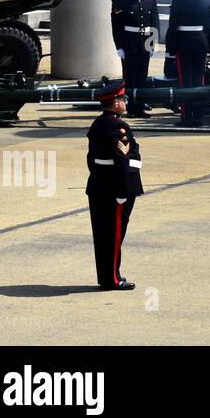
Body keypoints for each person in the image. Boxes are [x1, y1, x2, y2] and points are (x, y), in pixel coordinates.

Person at [85, 80, 141, 291]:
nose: (125, 102)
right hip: (114, 188)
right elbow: (121, 161)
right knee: (114, 235)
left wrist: (98, 176)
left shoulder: (98, 124)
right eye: (123, 99)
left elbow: (91, 158)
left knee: (103, 235)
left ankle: (107, 276)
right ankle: (112, 279)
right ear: (116, 103)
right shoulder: (118, 126)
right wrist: (122, 191)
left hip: (99, 185)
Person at [165, 0, 210, 127]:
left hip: (183, 45)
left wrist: (170, 47)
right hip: (200, 44)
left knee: (184, 81)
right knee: (198, 80)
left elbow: (172, 27)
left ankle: (186, 117)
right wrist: (209, 46)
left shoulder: (178, 2)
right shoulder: (205, 2)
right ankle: (198, 116)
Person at [110, 0, 159, 119]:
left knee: (142, 76)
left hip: (145, 41)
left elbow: (154, 19)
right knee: (130, 77)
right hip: (129, 42)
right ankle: (130, 107)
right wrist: (119, 47)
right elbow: (116, 24)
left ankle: (140, 107)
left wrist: (152, 42)